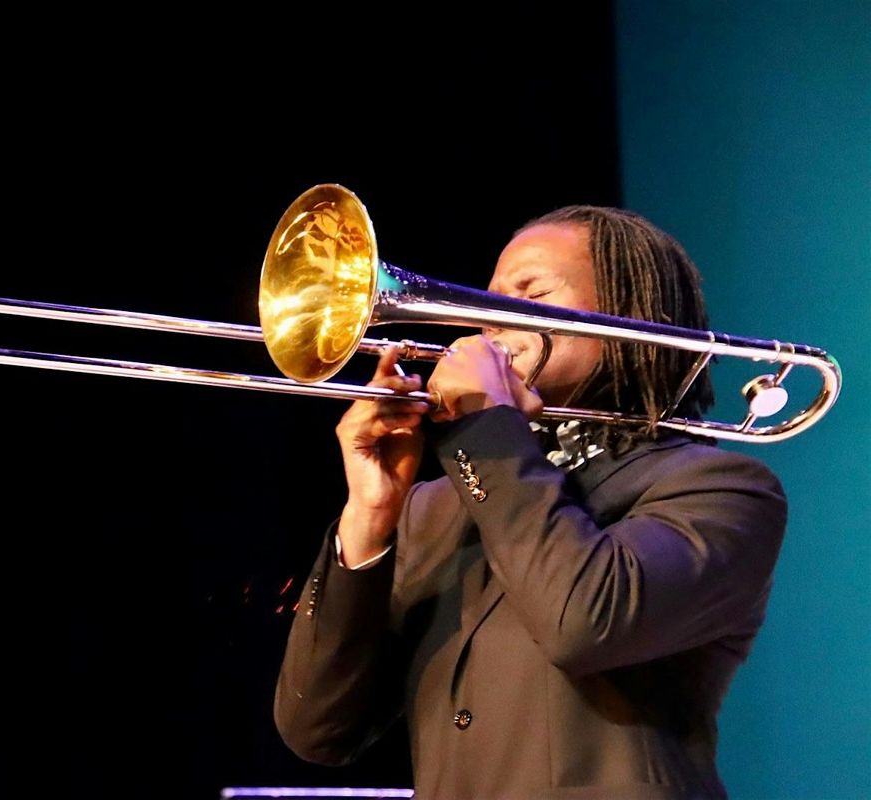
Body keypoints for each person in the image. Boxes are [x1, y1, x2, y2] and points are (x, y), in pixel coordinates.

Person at [274, 206, 787, 799]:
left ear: (627, 314)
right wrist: (369, 517)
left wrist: (487, 428)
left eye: (530, 293)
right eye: (486, 299)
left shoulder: (720, 487)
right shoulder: (441, 506)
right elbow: (318, 729)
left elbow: (585, 623)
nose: (487, 321)